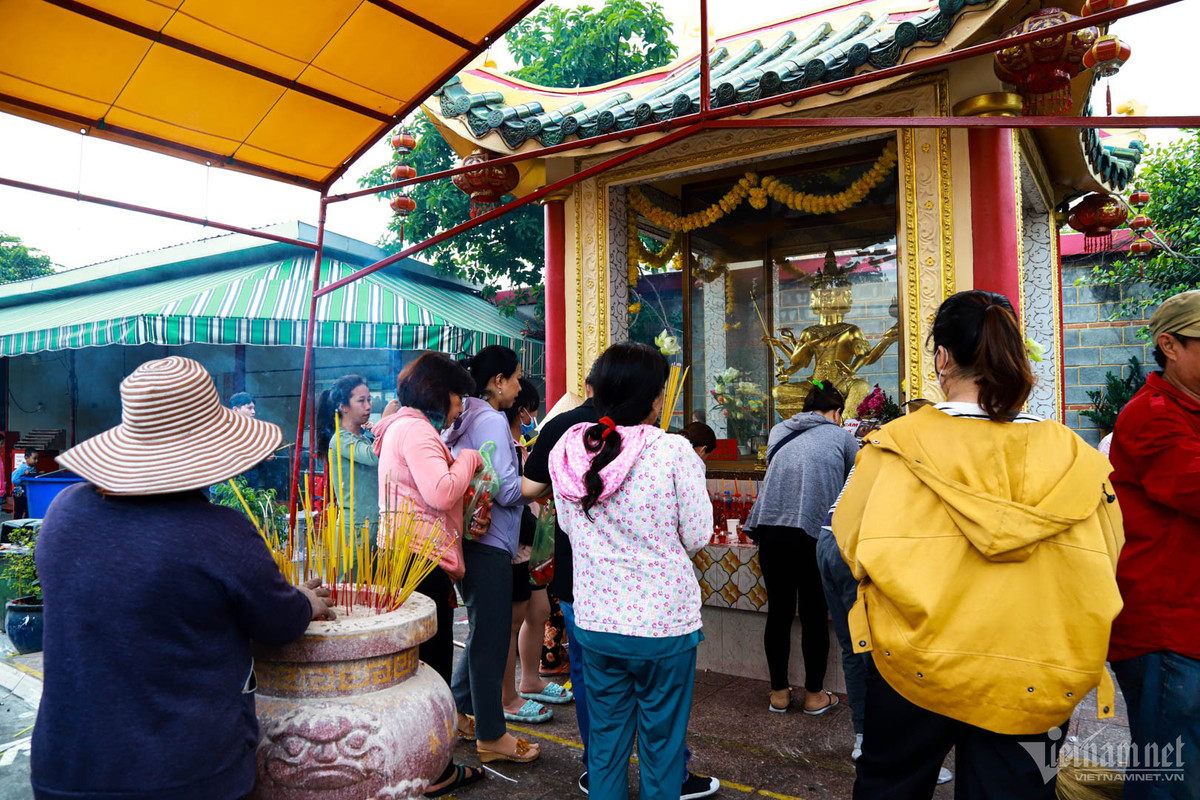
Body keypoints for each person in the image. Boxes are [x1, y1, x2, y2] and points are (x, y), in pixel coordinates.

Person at [834, 290, 1124, 800]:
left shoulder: (894, 446)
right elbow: (1111, 551)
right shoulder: (1077, 458)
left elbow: (849, 543)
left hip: (916, 661)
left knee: (891, 788)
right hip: (1035, 669)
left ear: (942, 357)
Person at [32, 356, 334, 800]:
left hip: (66, 769)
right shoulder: (220, 533)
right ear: (213, 450)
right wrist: (307, 600)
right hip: (183, 775)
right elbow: (280, 622)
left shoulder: (64, 512)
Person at [523, 372, 719, 799]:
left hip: (597, 619)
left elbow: (568, 527)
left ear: (597, 394)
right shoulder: (672, 450)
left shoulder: (572, 446)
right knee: (662, 747)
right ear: (655, 400)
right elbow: (698, 534)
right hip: (664, 626)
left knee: (606, 747)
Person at [371, 351, 486, 798]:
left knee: (413, 667)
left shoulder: (399, 427)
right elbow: (440, 492)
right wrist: (469, 459)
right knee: (432, 670)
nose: (460, 408)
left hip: (402, 556)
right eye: (458, 397)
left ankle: (410, 760)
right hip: (420, 560)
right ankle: (436, 770)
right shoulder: (417, 430)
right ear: (440, 393)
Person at [1107, 288, 1200, 800]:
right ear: (1169, 345)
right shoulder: (1153, 414)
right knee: (1169, 777)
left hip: (1188, 620)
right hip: (1167, 627)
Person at [442, 345, 539, 764]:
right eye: (515, 378)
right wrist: (544, 480)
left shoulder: (463, 416)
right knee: (492, 640)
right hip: (490, 541)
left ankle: (455, 711)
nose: (518, 387)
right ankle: (491, 734)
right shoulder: (492, 419)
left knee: (483, 632)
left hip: (467, 538)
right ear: (498, 381)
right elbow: (506, 489)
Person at [745, 381, 857, 714]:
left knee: (778, 613)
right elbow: (856, 481)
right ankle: (814, 696)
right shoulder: (841, 437)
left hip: (771, 530)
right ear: (837, 412)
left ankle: (779, 694)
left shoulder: (779, 431)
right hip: (811, 532)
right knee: (813, 615)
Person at [500, 378, 572, 725]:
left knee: (539, 610)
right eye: (530, 409)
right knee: (512, 620)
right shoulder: (506, 445)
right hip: (517, 541)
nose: (533, 416)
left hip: (532, 543)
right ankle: (507, 696)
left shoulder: (520, 444)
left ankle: (530, 680)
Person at [316, 375, 399, 560]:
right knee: (352, 578)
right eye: (361, 401)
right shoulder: (340, 439)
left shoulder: (362, 438)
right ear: (343, 406)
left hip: (373, 524)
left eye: (369, 399)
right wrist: (385, 420)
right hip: (354, 528)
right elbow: (373, 455)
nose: (368, 406)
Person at [11, 449, 39, 519]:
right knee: (19, 511)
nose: (36, 461)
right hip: (19, 493)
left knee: (28, 510)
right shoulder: (21, 469)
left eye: (37, 458)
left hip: (27, 493)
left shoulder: (33, 468)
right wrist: (24, 477)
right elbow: (14, 480)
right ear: (26, 458)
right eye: (34, 458)